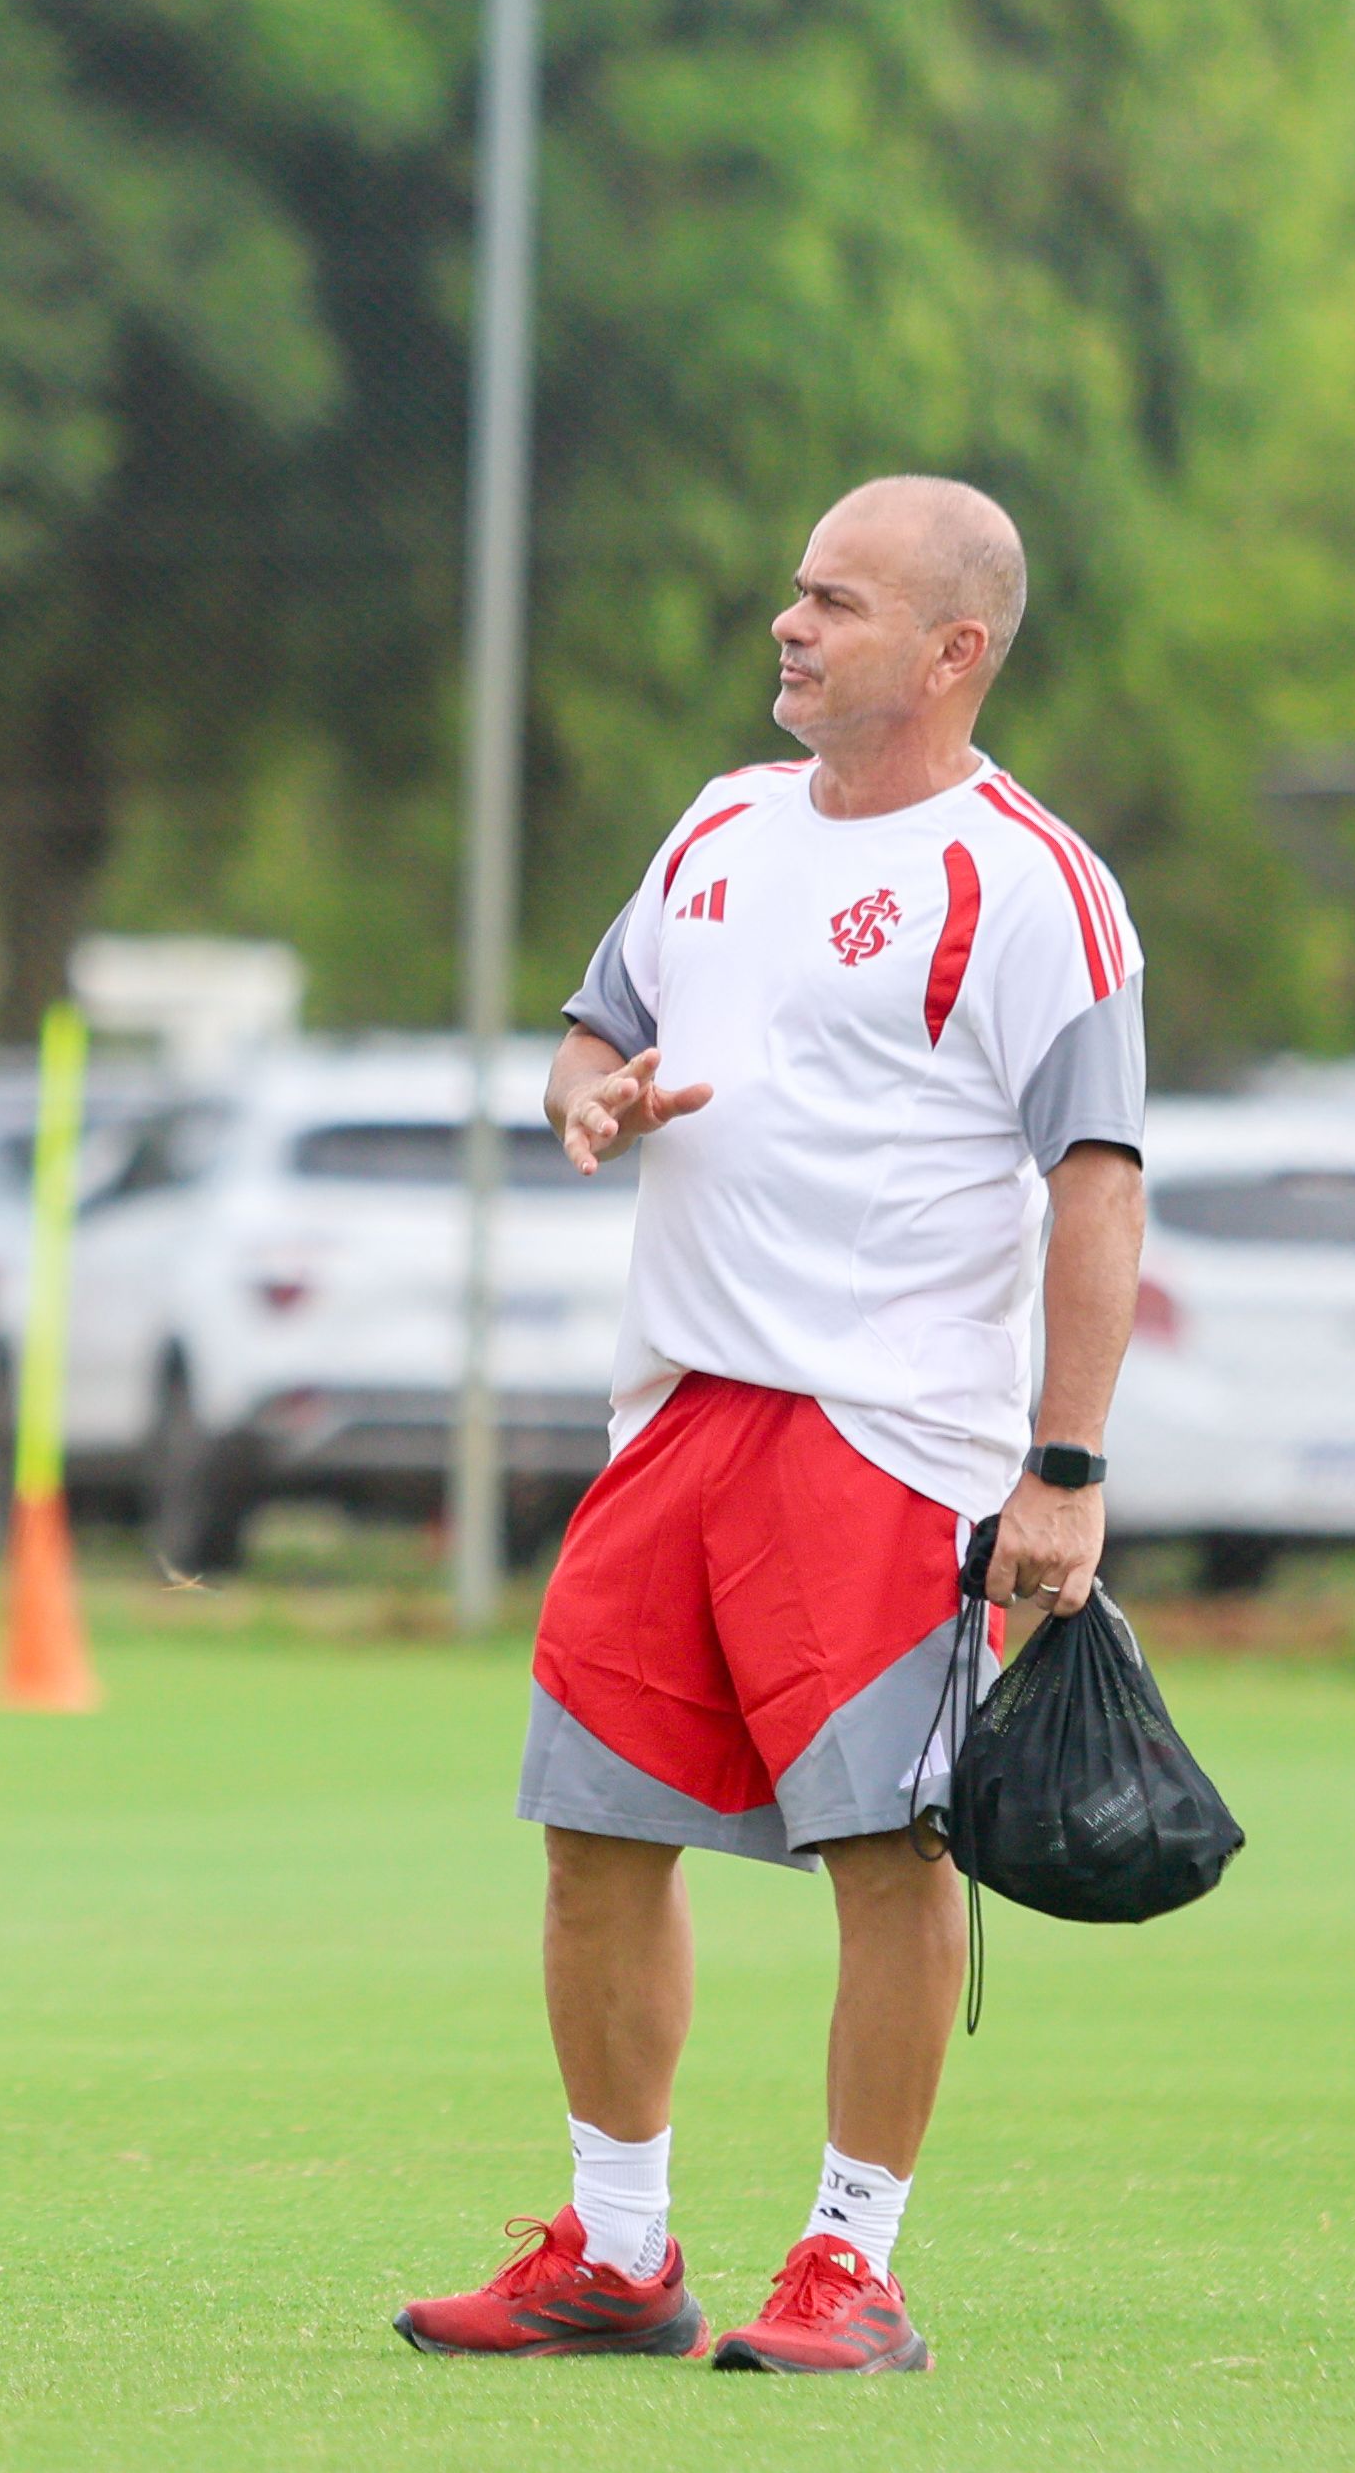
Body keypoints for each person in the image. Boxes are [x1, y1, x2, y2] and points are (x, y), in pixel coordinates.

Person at [391, 478, 1147, 2375]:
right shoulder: (722, 820)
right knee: (592, 1833)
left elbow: (1099, 1182)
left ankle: (850, 2265)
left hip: (887, 1442)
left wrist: (1065, 1469)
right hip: (676, 1416)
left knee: (889, 1856)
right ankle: (616, 2256)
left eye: (837, 600)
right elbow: (593, 1032)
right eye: (795, 590)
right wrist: (588, 1095)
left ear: (954, 651)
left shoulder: (1030, 883)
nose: (791, 625)